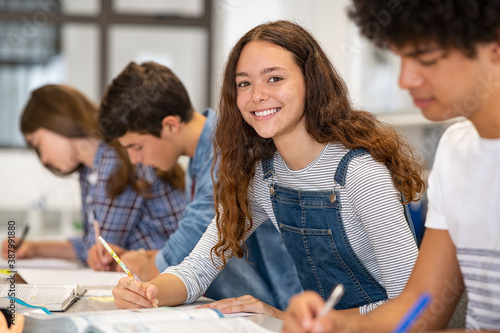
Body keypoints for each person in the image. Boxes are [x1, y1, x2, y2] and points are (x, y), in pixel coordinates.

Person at [110, 20, 425, 317]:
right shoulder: (262, 176)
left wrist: (290, 319)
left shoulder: (361, 175)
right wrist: (148, 292)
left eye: (274, 78)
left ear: (311, 82)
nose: (257, 96)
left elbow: (413, 305)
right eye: (244, 83)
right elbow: (197, 268)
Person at [282, 1, 500, 332]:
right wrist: (336, 325)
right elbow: (422, 307)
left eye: (426, 59)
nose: (405, 79)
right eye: (401, 57)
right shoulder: (457, 150)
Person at [98, 61, 303, 313]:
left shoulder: (225, 157)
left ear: (171, 125)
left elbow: (172, 259)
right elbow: (196, 258)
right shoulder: (201, 155)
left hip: (276, 307)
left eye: (137, 147)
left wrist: (140, 261)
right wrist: (142, 261)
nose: (135, 160)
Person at [1, 84, 186, 266]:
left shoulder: (116, 161)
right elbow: (92, 244)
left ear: (57, 122)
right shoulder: (90, 169)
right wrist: (33, 249)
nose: (43, 160)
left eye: (38, 143)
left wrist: (38, 249)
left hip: (173, 273)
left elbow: (101, 252)